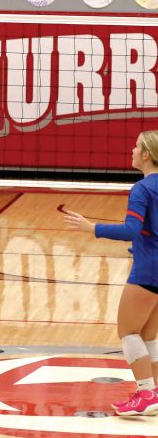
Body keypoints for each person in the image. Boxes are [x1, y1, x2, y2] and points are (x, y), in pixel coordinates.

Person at [65, 130, 158, 416]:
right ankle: (155, 393)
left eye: (136, 146)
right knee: (149, 336)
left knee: (128, 332)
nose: (131, 150)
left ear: (146, 154)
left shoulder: (142, 189)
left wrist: (92, 228)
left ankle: (146, 394)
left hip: (148, 271)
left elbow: (131, 229)